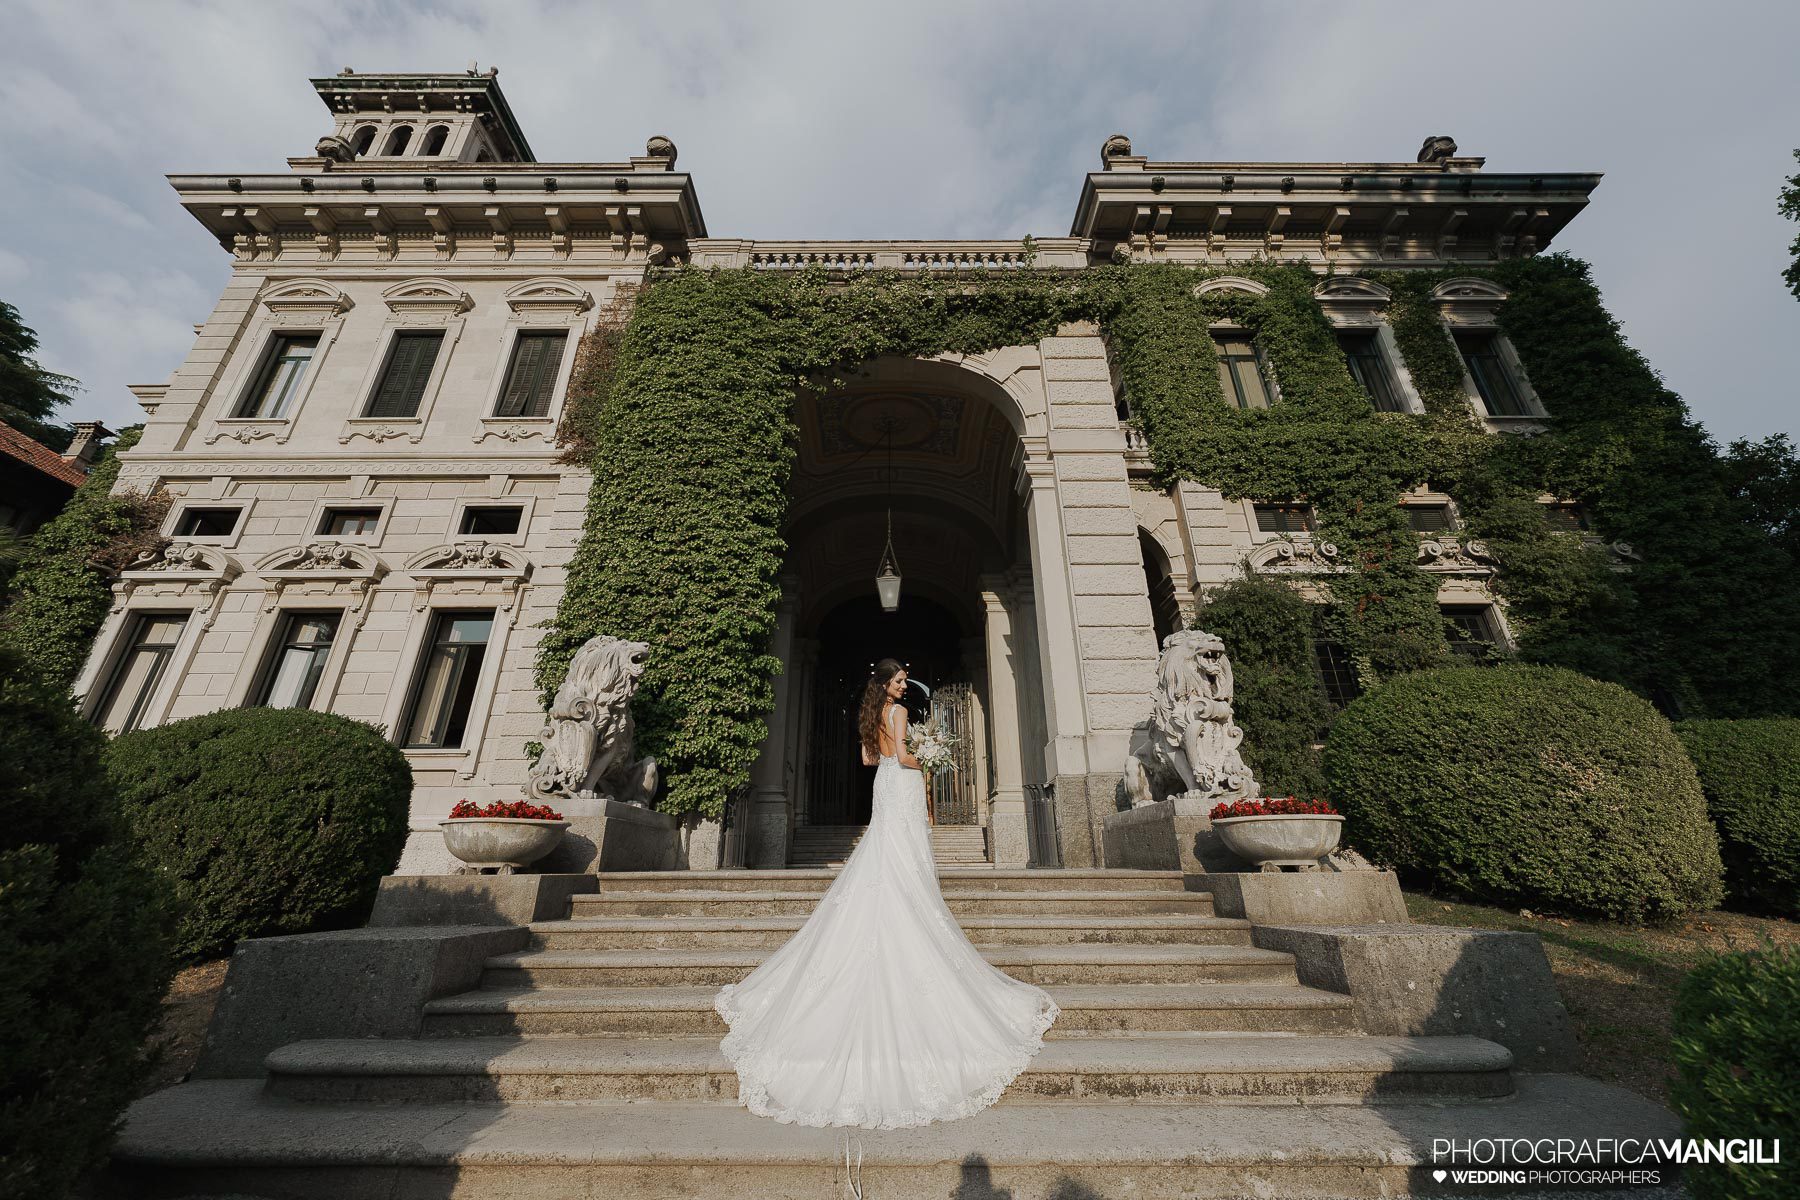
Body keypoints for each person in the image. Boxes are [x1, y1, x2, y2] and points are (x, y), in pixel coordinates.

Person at [713, 657, 1060, 1129]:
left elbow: (869, 760)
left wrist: (912, 754)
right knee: (906, 859)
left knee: (888, 854)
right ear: (886, 683)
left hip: (885, 788)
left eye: (902, 680)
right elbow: (900, 756)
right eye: (898, 680)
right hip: (903, 784)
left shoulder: (871, 714)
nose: (903, 685)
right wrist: (930, 758)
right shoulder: (898, 713)